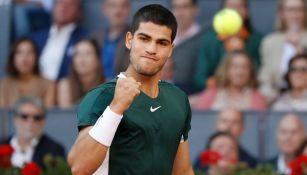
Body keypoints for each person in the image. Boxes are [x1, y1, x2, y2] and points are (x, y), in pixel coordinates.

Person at [68, 4, 194, 175]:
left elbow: (183, 171)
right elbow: (79, 167)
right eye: (144, 38)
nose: (151, 49)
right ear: (129, 40)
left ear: (171, 49)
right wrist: (116, 107)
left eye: (162, 43)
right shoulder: (102, 96)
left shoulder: (178, 99)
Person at [194, 0, 262, 91]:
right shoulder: (208, 40)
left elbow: (259, 75)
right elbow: (200, 79)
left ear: (247, 12)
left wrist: (242, 50)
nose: (234, 11)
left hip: (248, 92)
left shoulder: (256, 40)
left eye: (239, 6)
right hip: (216, 93)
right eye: (230, 6)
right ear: (221, 12)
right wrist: (217, 84)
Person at [259, 0, 307, 102]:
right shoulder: (270, 42)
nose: (295, 14)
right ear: (281, 13)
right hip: (276, 99)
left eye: (299, 10)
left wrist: (299, 48)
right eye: (290, 10)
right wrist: (271, 95)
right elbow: (265, 78)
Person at [0, 96, 65, 168]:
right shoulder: (2, 145)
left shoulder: (54, 150)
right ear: (16, 119)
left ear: (43, 121)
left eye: (37, 118)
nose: (30, 122)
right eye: (24, 116)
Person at [191, 50, 267, 111]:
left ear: (251, 72)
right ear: (226, 70)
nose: (240, 72)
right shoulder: (211, 93)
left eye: (245, 67)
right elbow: (200, 121)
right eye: (235, 67)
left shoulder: (258, 99)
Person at [30, 0, 87, 81]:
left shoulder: (84, 39)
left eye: (70, 5)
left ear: (79, 12)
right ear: (53, 7)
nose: (63, 8)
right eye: (60, 3)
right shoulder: (36, 37)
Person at [0, 38, 55, 108]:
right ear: (13, 58)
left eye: (29, 53)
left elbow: (49, 116)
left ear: (36, 58)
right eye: (19, 53)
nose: (24, 58)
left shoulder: (47, 84)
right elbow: (2, 116)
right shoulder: (4, 85)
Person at [57, 39, 105, 109]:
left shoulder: (108, 86)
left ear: (98, 60)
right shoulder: (65, 85)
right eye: (77, 54)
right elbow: (65, 116)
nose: (82, 59)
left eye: (88, 54)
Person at [91, 0, 131, 80]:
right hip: (95, 89)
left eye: (123, 6)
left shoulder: (136, 39)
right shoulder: (94, 38)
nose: (118, 11)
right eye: (112, 6)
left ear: (129, 9)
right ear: (104, 9)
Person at [170, 0, 204, 94]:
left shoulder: (205, 39)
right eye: (176, 7)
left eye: (185, 7)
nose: (180, 12)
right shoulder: (162, 37)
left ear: (195, 10)